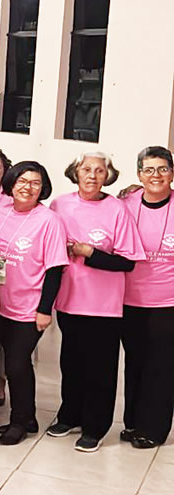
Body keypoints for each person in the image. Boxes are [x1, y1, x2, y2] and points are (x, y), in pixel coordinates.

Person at [48, 152, 144, 452]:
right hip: (68, 300)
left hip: (104, 305)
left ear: (108, 176)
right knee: (71, 363)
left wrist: (89, 253)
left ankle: (95, 426)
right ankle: (70, 415)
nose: (92, 175)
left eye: (99, 171)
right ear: (75, 172)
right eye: (86, 169)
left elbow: (127, 262)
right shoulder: (59, 205)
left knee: (100, 369)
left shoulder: (117, 209)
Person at [0, 161, 68, 445]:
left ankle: (19, 422)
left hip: (30, 306)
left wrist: (44, 309)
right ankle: (28, 417)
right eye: (22, 181)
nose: (28, 187)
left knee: (16, 364)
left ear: (43, 188)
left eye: (35, 183)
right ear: (11, 183)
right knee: (13, 362)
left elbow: (55, 269)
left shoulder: (49, 220)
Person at [121, 146, 174, 449]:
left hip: (168, 303)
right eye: (149, 169)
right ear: (139, 174)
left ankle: (153, 428)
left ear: (172, 173)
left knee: (161, 366)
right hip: (129, 300)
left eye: (163, 169)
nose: (156, 175)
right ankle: (133, 422)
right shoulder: (125, 204)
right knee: (135, 362)